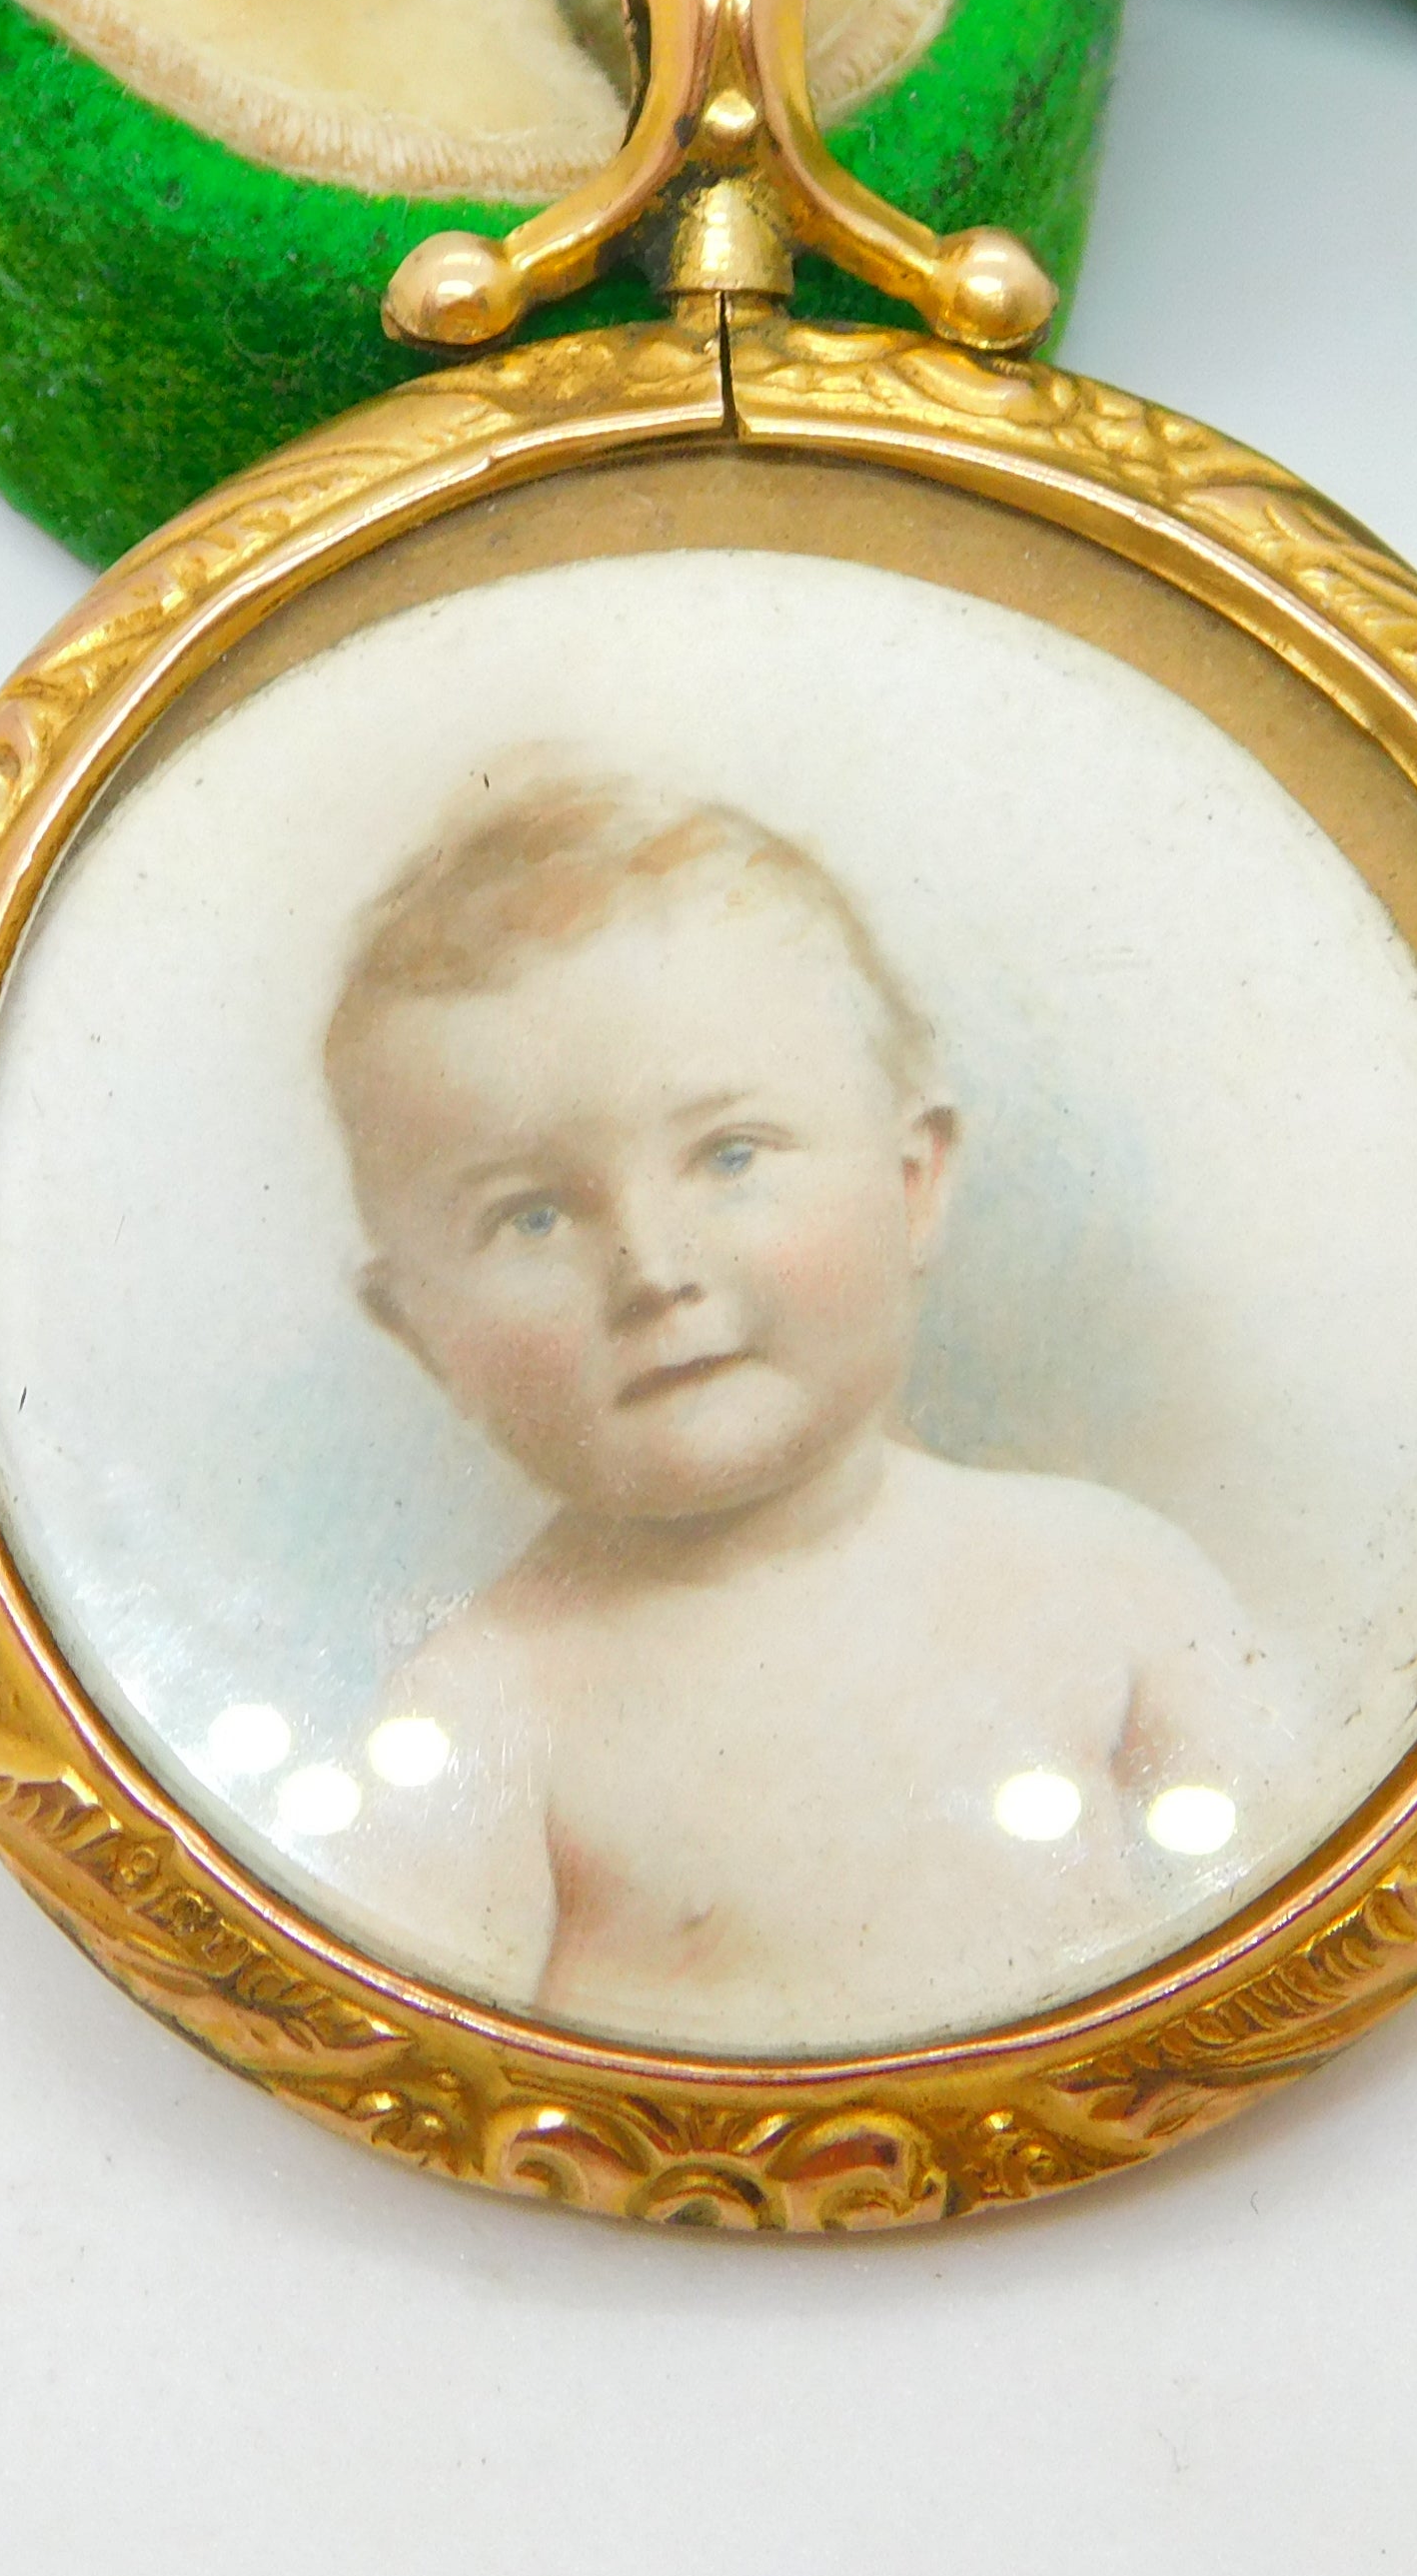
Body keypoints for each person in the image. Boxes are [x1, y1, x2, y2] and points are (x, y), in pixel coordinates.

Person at [296, 765, 1277, 2053]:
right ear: (421, 1332)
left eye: (730, 1155)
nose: (653, 1269)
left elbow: (1282, 1952)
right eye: (532, 1215)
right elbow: (420, 2089)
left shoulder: (1111, 1581)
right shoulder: (484, 1714)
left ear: (914, 1182)